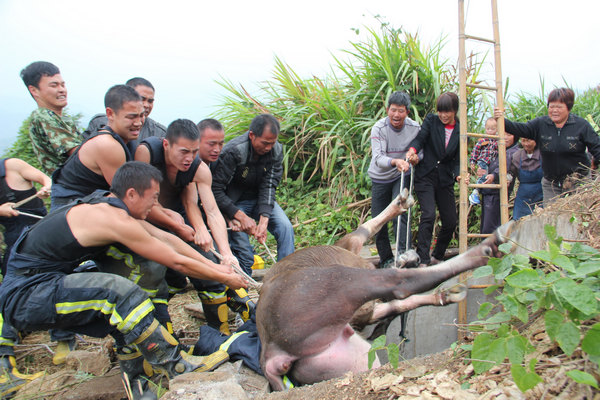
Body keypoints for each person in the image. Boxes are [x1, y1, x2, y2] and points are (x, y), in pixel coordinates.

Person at [0, 162, 247, 398]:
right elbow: (175, 261)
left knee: (121, 317)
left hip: (44, 285)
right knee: (118, 292)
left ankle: (139, 387)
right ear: (131, 194)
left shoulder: (110, 205)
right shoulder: (112, 219)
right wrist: (223, 278)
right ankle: (176, 365)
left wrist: (216, 266)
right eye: (153, 198)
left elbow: (166, 239)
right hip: (25, 296)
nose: (155, 205)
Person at [135, 118, 247, 335]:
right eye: (184, 151)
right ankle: (164, 340)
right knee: (155, 278)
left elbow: (210, 211)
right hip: (146, 220)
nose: (189, 158)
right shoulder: (146, 153)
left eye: (194, 152)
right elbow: (143, 203)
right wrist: (176, 227)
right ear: (166, 144)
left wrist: (226, 253)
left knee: (211, 267)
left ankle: (219, 334)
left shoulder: (199, 168)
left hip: (179, 217)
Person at [212, 114, 295, 276]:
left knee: (285, 227)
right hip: (233, 203)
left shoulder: (276, 150)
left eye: (272, 143)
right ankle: (242, 287)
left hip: (259, 200)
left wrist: (264, 219)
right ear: (252, 135)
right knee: (243, 249)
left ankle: (286, 276)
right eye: (265, 143)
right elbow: (216, 190)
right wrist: (240, 216)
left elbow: (269, 185)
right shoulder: (234, 151)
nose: (268, 148)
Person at [495, 87, 600, 206]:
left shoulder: (581, 126)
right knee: (551, 220)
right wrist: (502, 119)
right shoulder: (541, 124)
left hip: (578, 182)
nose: (554, 110)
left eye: (559, 107)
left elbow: (597, 148)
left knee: (578, 218)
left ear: (568, 108)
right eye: (551, 106)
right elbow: (520, 129)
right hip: (552, 184)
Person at [51, 84, 144, 209]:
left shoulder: (128, 140)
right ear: (110, 114)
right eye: (131, 117)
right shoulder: (107, 145)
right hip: (70, 209)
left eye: (141, 115)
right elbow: (129, 198)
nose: (138, 123)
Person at [406, 92, 461, 267]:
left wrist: (459, 174)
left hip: (445, 179)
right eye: (441, 111)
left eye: (448, 112)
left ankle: (438, 254)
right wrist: (413, 150)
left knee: (451, 220)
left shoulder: (461, 129)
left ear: (455, 111)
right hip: (426, 176)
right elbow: (420, 139)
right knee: (428, 214)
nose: (443, 115)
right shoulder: (432, 120)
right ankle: (423, 258)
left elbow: (458, 158)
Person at [367, 91, 420, 268]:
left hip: (401, 175)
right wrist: (395, 161)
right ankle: (386, 259)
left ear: (407, 112)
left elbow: (421, 151)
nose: (396, 115)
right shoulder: (379, 128)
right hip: (380, 177)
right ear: (387, 109)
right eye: (393, 110)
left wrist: (415, 158)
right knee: (379, 219)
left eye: (401, 111)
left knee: (401, 213)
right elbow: (378, 158)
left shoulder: (415, 127)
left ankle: (405, 255)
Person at [20, 61, 81, 174]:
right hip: (70, 186)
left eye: (63, 85)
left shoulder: (63, 118)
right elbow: (79, 154)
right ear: (34, 90)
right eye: (54, 85)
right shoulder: (43, 116)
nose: (62, 90)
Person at [84, 77, 166, 152]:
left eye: (150, 101)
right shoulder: (99, 123)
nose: (146, 105)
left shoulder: (160, 133)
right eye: (141, 99)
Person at [0, 158, 51, 276]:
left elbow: (46, 179)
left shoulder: (12, 165)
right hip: (14, 241)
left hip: (42, 230)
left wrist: (46, 187)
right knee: (12, 275)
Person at [478, 133, 518, 234]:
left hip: (497, 193)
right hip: (488, 191)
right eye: (503, 134)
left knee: (491, 228)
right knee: (486, 227)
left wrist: (493, 175)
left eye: (509, 135)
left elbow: (505, 167)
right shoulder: (497, 149)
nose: (505, 137)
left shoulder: (513, 151)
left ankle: (491, 249)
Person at [509, 138, 543, 219]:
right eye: (523, 141)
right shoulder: (517, 156)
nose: (526, 144)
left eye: (529, 140)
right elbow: (511, 172)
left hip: (541, 193)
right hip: (523, 195)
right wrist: (508, 178)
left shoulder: (543, 154)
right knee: (519, 221)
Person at [468, 118, 499, 205]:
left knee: (487, 177)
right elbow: (475, 151)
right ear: (485, 128)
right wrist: (473, 161)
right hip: (483, 161)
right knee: (483, 176)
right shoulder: (483, 140)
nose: (490, 131)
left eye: (493, 129)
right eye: (488, 129)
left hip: (491, 162)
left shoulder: (496, 140)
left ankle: (478, 192)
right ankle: (476, 192)